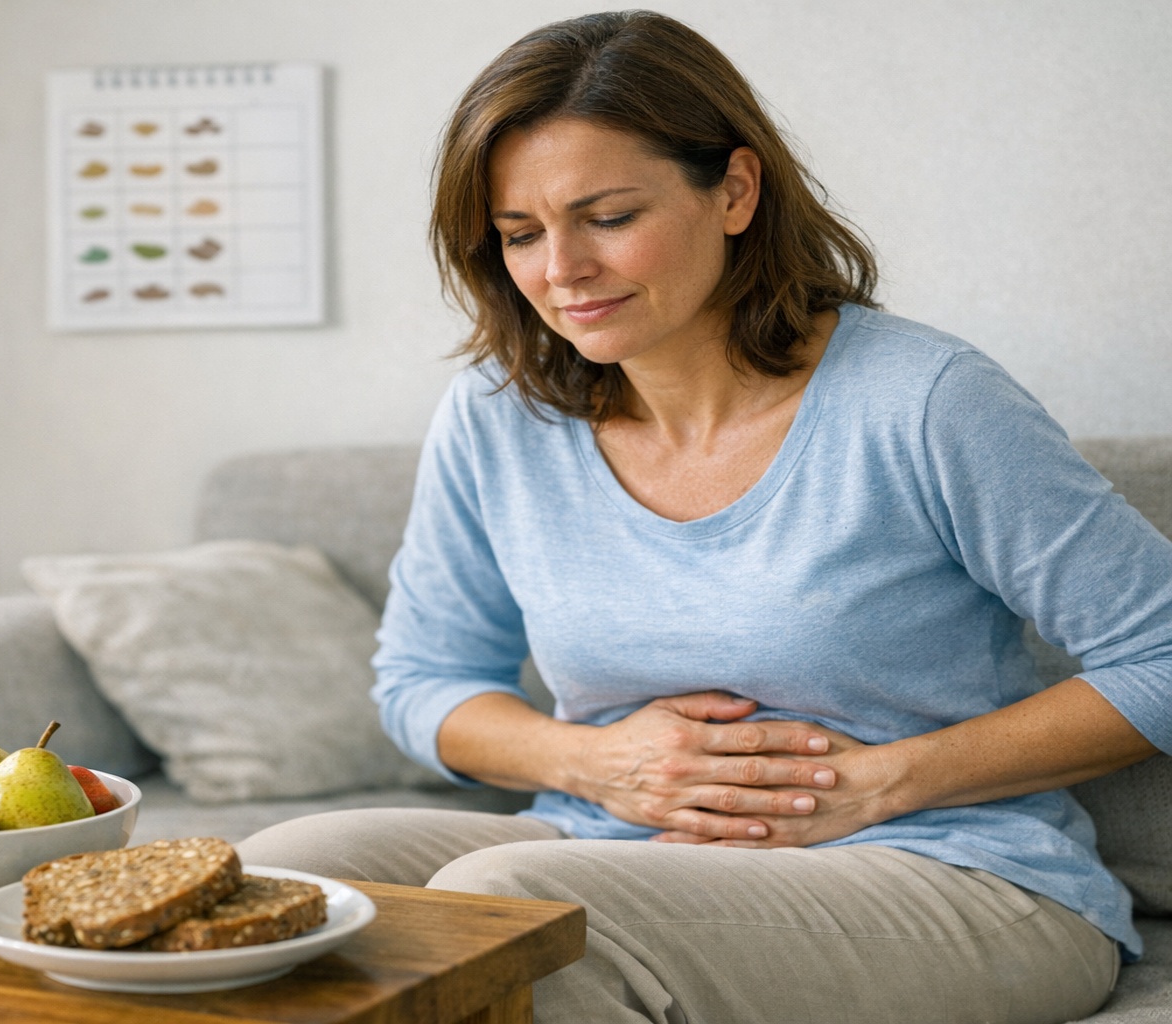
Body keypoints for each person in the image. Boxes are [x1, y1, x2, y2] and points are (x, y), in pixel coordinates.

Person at [236, 11, 1172, 1023]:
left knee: (512, 911)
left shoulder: (922, 398)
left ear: (733, 190)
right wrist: (595, 763)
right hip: (616, 840)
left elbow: (1160, 649)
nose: (560, 270)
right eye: (518, 234)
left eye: (605, 216)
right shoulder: (498, 415)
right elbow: (423, 681)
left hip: (950, 871)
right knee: (275, 877)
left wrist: (879, 782)